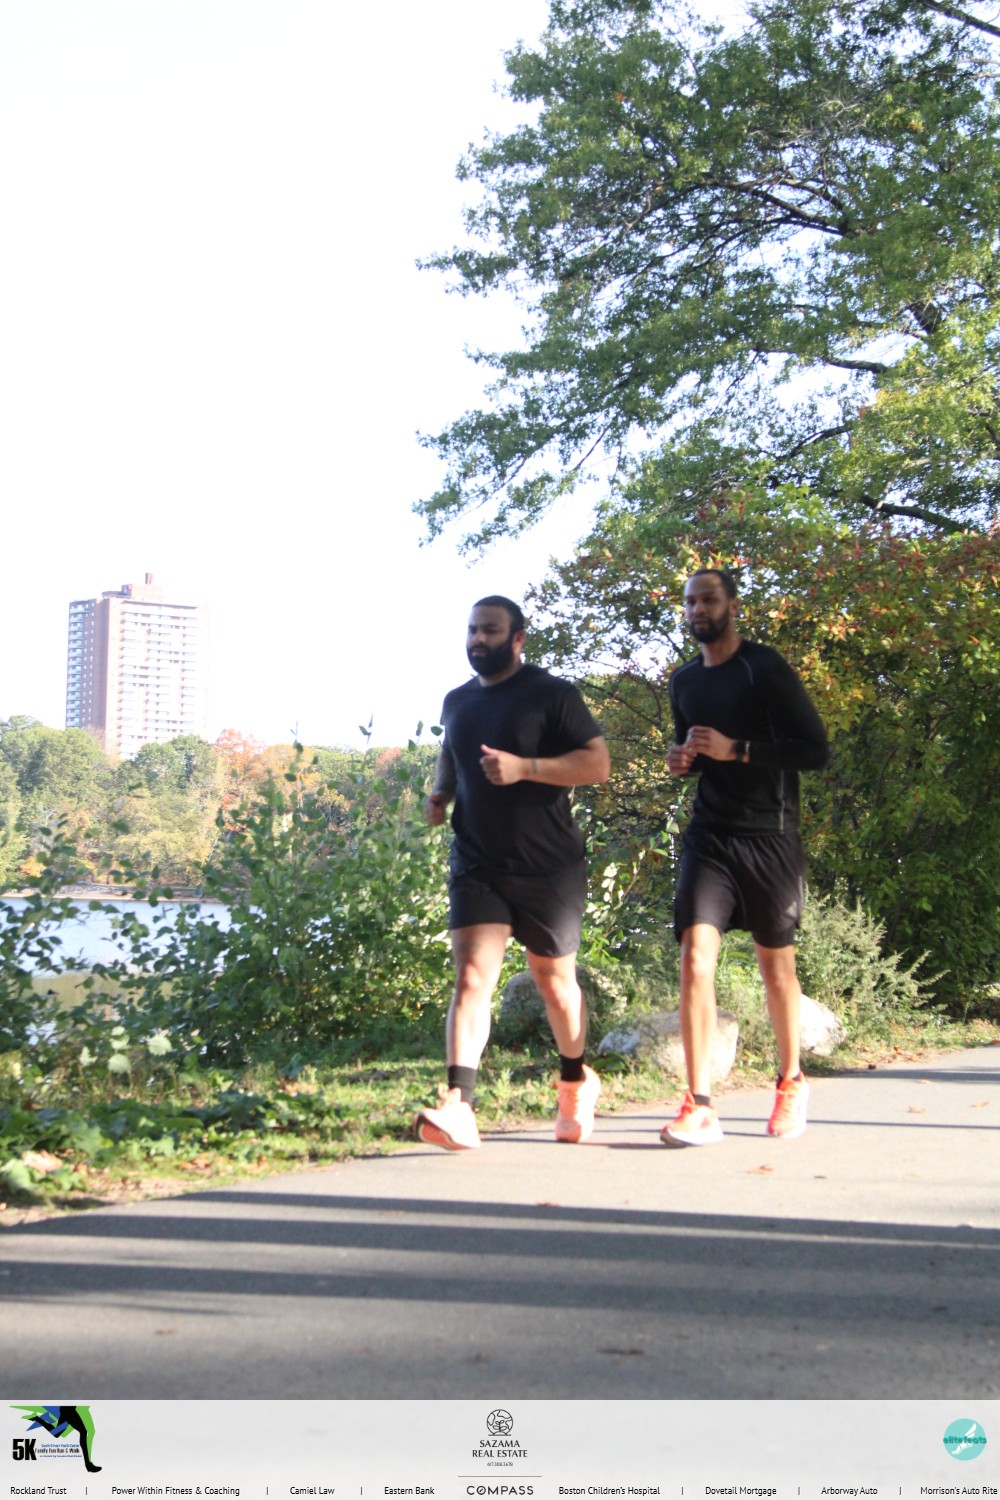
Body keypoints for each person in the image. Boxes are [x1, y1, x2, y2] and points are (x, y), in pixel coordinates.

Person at [415, 595, 611, 1151]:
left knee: (554, 982)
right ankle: (459, 1105)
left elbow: (597, 764)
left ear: (518, 638)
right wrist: (441, 793)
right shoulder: (457, 700)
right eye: (472, 630)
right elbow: (451, 753)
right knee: (472, 977)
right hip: (477, 860)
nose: (478, 640)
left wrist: (525, 768)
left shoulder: (552, 695)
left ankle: (575, 1078)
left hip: (548, 865)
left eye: (491, 631)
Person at [662, 568, 830, 1147]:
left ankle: (791, 1081)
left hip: (770, 836)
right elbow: (696, 754)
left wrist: (738, 750)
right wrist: (683, 761)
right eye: (690, 602)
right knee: (694, 958)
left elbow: (816, 751)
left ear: (733, 605)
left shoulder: (765, 668)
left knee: (775, 968)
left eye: (708, 599)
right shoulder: (684, 680)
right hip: (710, 836)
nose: (697, 610)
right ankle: (700, 1103)